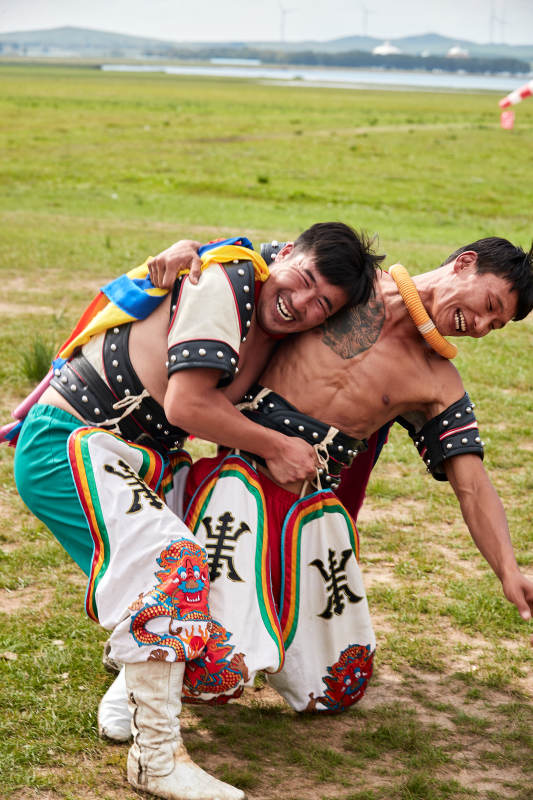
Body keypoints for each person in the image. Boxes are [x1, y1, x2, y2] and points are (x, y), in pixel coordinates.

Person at [9, 223, 383, 800]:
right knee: (171, 565)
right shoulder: (225, 279)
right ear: (284, 253)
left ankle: (136, 688)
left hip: (136, 460)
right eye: (304, 278)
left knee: (211, 549)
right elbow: (186, 404)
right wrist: (275, 445)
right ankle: (155, 761)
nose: (302, 302)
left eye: (322, 305)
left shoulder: (265, 314)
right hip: (70, 446)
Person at [111, 235, 531, 720]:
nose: (478, 325)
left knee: (332, 685)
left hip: (305, 513)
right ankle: (136, 680)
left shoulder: (438, 384)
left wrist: (509, 570)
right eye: (489, 305)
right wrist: (187, 248)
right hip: (231, 487)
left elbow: (472, 484)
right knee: (212, 629)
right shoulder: (344, 287)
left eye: (494, 325)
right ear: (464, 264)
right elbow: (261, 265)